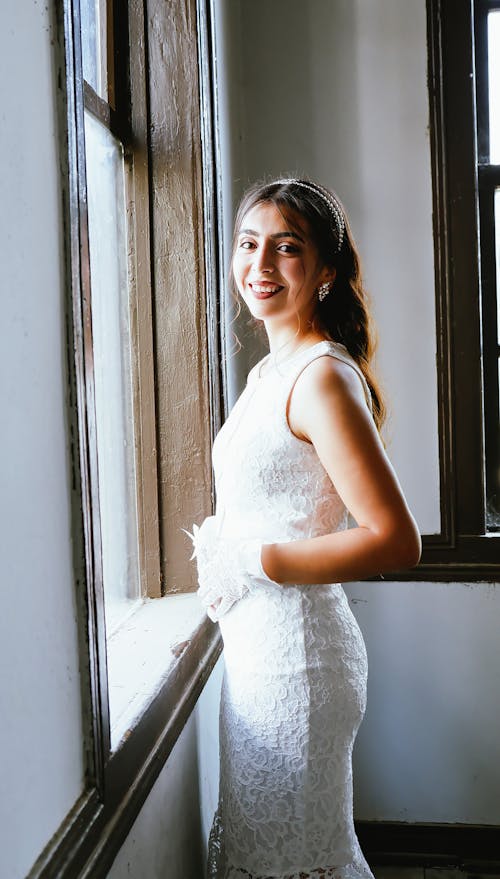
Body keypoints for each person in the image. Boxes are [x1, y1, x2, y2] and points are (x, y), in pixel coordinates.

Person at [189, 178, 421, 879]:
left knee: (297, 859)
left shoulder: (320, 377)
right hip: (258, 654)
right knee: (270, 853)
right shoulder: (270, 371)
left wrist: (253, 561)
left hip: (299, 664)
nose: (260, 265)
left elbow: (393, 539)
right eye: (248, 244)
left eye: (286, 248)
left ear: (325, 270)